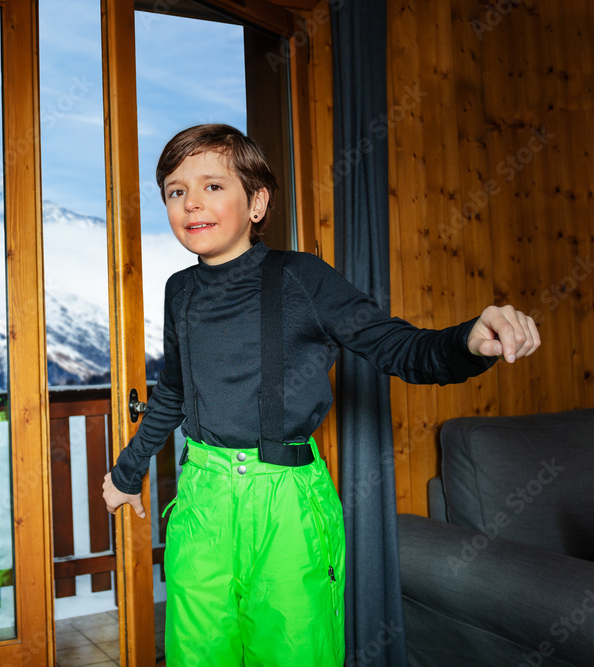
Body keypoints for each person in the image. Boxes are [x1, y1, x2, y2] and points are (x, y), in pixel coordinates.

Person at [101, 124, 541, 666]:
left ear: (257, 202)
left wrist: (469, 341)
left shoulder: (301, 277)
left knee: (295, 652)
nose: (192, 202)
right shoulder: (179, 290)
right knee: (196, 654)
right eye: (176, 190)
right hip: (202, 501)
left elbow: (397, 347)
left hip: (286, 503)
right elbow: (171, 390)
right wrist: (126, 473)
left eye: (213, 186)